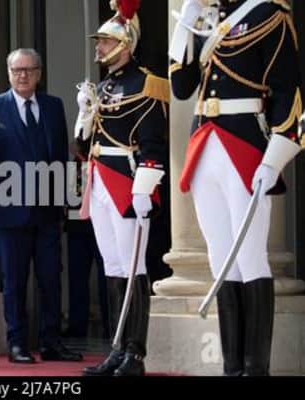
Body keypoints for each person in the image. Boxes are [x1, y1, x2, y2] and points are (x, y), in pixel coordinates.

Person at [169, 0, 302, 376]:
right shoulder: (208, 16)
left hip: (245, 146)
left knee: (251, 257)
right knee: (220, 258)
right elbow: (182, 87)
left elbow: (288, 91)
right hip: (205, 144)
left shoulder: (268, 13)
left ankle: (256, 369)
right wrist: (185, 26)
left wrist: (274, 159)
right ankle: (232, 368)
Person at [78, 0, 169, 376]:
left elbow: (153, 144)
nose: (99, 47)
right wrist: (84, 116)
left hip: (128, 182)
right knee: (113, 267)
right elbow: (85, 146)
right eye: (99, 41)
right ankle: (116, 346)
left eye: (105, 41)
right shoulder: (104, 86)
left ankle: (135, 352)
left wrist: (144, 189)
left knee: (134, 268)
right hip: (99, 179)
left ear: (125, 45)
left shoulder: (147, 83)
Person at [0, 48, 82, 363]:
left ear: (39, 74)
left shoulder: (54, 106)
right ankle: (17, 343)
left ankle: (51, 343)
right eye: (17, 70)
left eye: (29, 70)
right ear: (8, 73)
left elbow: (61, 156)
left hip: (48, 210)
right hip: (9, 210)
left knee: (51, 279)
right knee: (14, 281)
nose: (23, 75)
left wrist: (66, 200)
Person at [64, 138, 109, 339]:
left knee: (106, 276)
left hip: (99, 224)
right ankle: (77, 325)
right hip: (77, 227)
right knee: (77, 278)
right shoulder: (73, 166)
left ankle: (110, 324)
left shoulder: (100, 163)